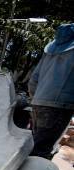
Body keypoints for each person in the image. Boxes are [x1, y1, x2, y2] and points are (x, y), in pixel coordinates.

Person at [28, 23, 74, 160]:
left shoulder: (49, 52)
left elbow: (33, 80)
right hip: (60, 106)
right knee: (41, 152)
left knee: (35, 145)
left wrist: (37, 99)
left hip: (38, 102)